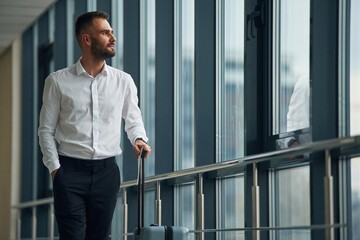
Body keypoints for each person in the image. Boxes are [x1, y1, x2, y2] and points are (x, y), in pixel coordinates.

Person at [38, 11, 151, 240]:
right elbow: (45, 130)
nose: (113, 37)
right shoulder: (57, 81)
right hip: (69, 172)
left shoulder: (123, 81)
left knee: (100, 236)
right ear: (87, 39)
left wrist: (139, 139)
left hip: (106, 173)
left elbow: (133, 119)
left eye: (112, 32)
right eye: (105, 32)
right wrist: (55, 170)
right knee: (72, 236)